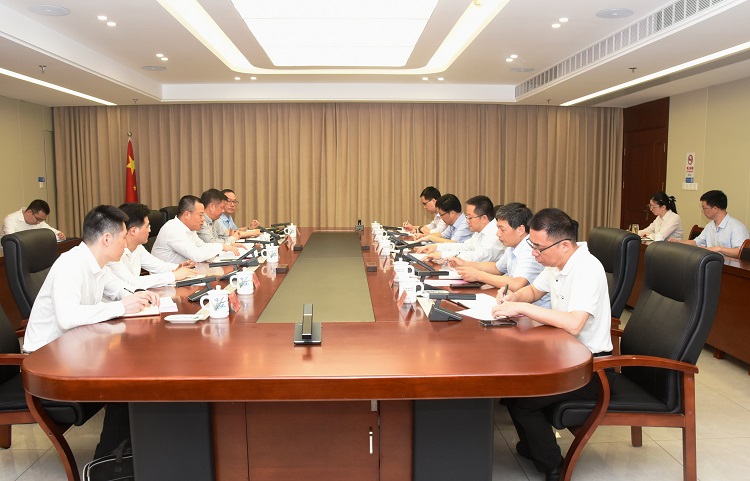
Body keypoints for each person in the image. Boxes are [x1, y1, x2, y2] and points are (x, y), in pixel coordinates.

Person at [21, 205, 159, 458]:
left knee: (138, 362)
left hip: (74, 347)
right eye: (122, 237)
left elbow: (119, 290)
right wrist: (121, 306)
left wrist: (140, 296)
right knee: (128, 378)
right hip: (47, 360)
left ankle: (129, 452)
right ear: (106, 238)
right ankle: (109, 460)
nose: (125, 243)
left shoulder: (98, 264)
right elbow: (67, 318)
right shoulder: (70, 264)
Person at [490, 208, 612, 481]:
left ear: (564, 245)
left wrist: (523, 308)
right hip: (562, 355)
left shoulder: (586, 269)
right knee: (511, 391)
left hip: (590, 369)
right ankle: (533, 446)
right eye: (532, 246)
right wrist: (513, 297)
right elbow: (534, 291)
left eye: (538, 248)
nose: (534, 253)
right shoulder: (557, 262)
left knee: (524, 401)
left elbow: (574, 324)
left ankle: (554, 467)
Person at [448, 203, 549, 307]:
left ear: (520, 230)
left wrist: (478, 275)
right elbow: (497, 268)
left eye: (502, 229)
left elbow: (516, 284)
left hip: (536, 308)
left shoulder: (531, 249)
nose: (498, 233)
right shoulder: (513, 245)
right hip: (517, 303)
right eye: (498, 228)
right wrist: (465, 263)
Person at [108, 203, 196, 289]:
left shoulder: (138, 247)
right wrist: (174, 276)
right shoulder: (113, 252)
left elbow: (158, 266)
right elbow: (131, 282)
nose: (150, 230)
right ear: (133, 231)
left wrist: (179, 267)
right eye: (147, 226)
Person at [152, 195, 240, 264]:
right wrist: (221, 247)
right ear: (187, 214)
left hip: (184, 272)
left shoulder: (189, 229)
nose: (203, 219)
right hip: (167, 277)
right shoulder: (173, 229)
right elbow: (196, 255)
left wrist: (226, 246)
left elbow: (202, 246)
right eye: (200, 215)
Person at [414, 195, 504, 262]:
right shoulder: (480, 231)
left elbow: (477, 257)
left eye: (470, 217)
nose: (467, 221)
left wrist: (443, 254)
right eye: (467, 217)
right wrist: (436, 247)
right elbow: (464, 246)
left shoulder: (495, 233)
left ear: (484, 218)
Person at [671, 189, 749, 258]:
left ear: (715, 208)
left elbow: (740, 252)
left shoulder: (736, 227)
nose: (703, 211)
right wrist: (680, 242)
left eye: (704, 208)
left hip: (729, 267)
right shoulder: (710, 226)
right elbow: (696, 242)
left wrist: (719, 249)